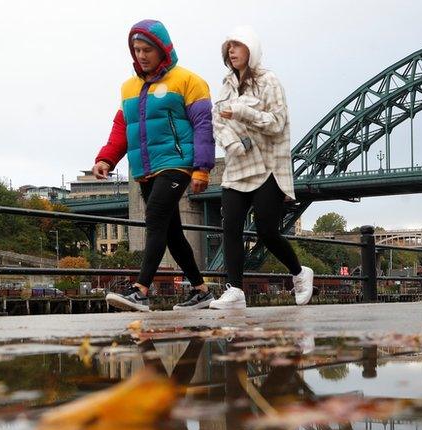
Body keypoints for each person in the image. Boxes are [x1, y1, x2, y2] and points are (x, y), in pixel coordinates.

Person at [94, 20, 216, 313]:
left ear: (162, 50)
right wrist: (106, 158)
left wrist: (202, 168)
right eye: (136, 50)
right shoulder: (129, 88)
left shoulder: (188, 81)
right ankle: (201, 291)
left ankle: (140, 291)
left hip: (176, 163)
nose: (141, 56)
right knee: (171, 232)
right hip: (145, 169)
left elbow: (203, 125)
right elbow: (122, 128)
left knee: (155, 218)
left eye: (147, 49)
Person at [208, 27, 313, 310]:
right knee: (230, 226)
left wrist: (242, 112)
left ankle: (300, 272)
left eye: (237, 46)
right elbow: (217, 120)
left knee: (267, 230)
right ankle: (235, 291)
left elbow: (277, 123)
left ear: (251, 50)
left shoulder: (269, 81)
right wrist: (234, 143)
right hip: (237, 167)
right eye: (228, 47)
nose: (231, 51)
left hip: (266, 166)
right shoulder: (226, 83)